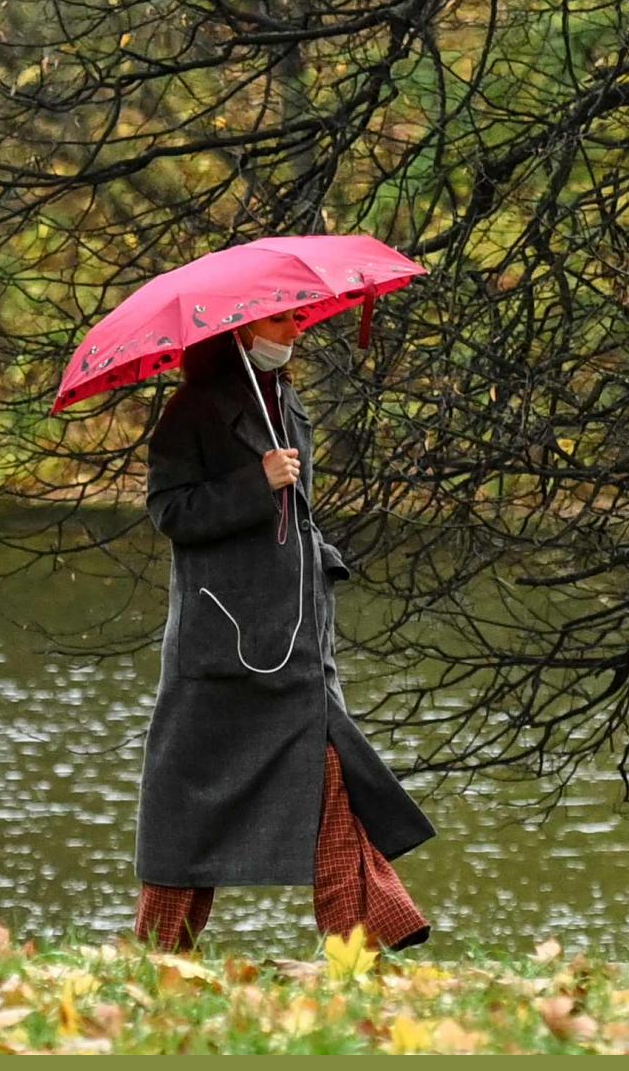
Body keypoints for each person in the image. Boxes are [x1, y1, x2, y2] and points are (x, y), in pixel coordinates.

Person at [132, 311, 433, 953]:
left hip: (298, 640)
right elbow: (170, 511)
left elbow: (299, 517)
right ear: (238, 330)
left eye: (296, 317)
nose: (294, 331)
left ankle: (361, 947)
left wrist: (319, 560)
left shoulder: (288, 405)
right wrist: (255, 482)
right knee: (187, 808)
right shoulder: (191, 410)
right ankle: (160, 952)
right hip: (221, 646)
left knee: (332, 779)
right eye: (280, 320)